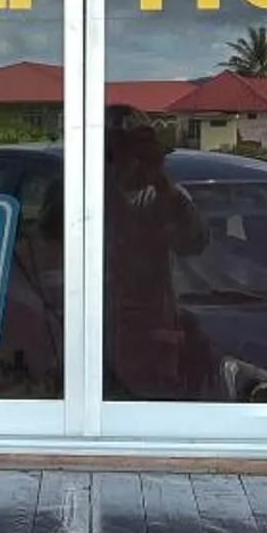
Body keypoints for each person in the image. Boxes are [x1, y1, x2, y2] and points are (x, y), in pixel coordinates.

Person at [104, 108, 208, 400]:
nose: (141, 165)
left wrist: (166, 191)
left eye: (151, 157)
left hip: (152, 322)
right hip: (96, 319)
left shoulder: (168, 198)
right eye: (132, 154)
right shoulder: (84, 196)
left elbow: (194, 243)